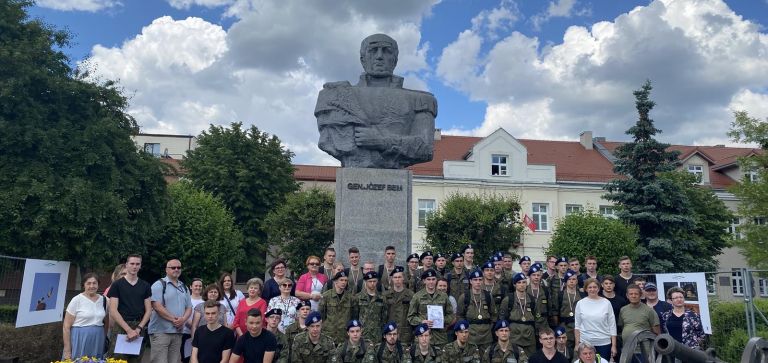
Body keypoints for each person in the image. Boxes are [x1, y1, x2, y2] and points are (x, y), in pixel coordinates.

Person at [315, 33, 436, 169]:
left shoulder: (421, 99)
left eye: (386, 51)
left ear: (395, 60)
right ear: (362, 59)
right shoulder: (335, 97)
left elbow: (425, 148)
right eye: (373, 50)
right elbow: (330, 141)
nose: (379, 56)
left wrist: (382, 141)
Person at [108, 254, 152, 363]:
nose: (134, 266)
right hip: (121, 327)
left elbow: (149, 310)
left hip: (139, 327)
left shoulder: (145, 286)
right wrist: (128, 330)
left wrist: (138, 329)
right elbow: (113, 310)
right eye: (132, 263)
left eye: (137, 264)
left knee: (135, 360)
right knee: (117, 360)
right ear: (126, 265)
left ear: (140, 266)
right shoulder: (117, 285)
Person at [149, 259, 193, 363]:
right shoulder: (158, 285)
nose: (176, 269)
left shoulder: (184, 287)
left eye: (179, 267)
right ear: (166, 270)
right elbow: (157, 306)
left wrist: (183, 320)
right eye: (173, 267)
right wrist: (175, 320)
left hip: (178, 332)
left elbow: (189, 307)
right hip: (161, 332)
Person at [63, 273, 109, 360]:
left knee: (95, 360)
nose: (92, 286)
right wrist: (67, 349)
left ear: (98, 284)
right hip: (79, 338)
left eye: (94, 283)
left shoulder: (104, 300)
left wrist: (103, 336)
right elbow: (66, 326)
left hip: (98, 339)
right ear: (83, 285)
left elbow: (107, 321)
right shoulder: (76, 300)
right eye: (88, 283)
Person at [408, 269, 455, 348]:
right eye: (428, 279)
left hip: (440, 337)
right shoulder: (417, 296)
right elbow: (410, 317)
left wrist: (441, 320)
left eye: (433, 279)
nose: (431, 282)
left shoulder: (444, 296)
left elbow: (451, 315)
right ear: (424, 281)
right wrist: (422, 321)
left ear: (436, 280)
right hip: (423, 337)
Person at [574, 278, 616, 361]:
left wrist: (614, 346)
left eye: (594, 287)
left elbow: (612, 325)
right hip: (585, 342)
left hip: (604, 343)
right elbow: (577, 325)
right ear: (586, 289)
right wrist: (577, 344)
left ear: (599, 288)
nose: (592, 289)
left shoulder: (606, 303)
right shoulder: (580, 303)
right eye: (590, 287)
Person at [499, 272, 537, 356]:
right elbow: (502, 319)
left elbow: (537, 318)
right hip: (514, 336)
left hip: (529, 337)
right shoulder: (508, 299)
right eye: (519, 282)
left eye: (524, 282)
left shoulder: (532, 299)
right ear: (514, 284)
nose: (522, 285)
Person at [619, 285, 659, 362]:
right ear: (627, 295)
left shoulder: (649, 311)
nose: (633, 296)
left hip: (643, 351)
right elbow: (623, 327)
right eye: (631, 294)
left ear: (640, 295)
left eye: (636, 294)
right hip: (627, 349)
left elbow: (656, 332)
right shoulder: (623, 310)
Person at [458, 269, 493, 351]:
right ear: (470, 281)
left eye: (480, 280)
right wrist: (465, 330)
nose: (478, 282)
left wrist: (489, 328)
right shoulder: (465, 297)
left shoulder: (488, 296)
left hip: (486, 336)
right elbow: (460, 315)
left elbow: (493, 315)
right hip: (470, 335)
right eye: (475, 280)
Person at [320, 270, 356, 344]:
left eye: (346, 280)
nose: (344, 282)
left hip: (344, 335)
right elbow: (321, 315)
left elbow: (354, 316)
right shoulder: (326, 296)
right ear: (335, 281)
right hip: (329, 334)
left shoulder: (351, 298)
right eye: (341, 280)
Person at [383, 266, 414, 347]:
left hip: (405, 333)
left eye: (399, 277)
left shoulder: (411, 295)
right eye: (395, 277)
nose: (397, 279)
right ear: (392, 279)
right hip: (390, 332)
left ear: (403, 278)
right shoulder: (386, 295)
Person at [356, 271, 387, 344]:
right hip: (362, 334)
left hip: (377, 335)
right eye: (370, 281)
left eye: (374, 281)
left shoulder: (382, 298)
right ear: (365, 282)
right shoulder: (358, 297)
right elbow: (355, 316)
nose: (372, 284)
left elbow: (384, 318)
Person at [555, 269, 581, 352]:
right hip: (564, 325)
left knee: (579, 349)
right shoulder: (561, 294)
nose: (572, 281)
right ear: (566, 281)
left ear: (577, 281)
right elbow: (556, 311)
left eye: (574, 279)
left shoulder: (582, 294)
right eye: (569, 279)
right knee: (566, 350)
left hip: (579, 326)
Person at [528, 263, 551, 333]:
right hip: (529, 323)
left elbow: (549, 307)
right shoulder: (525, 290)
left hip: (543, 323)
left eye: (538, 275)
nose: (536, 277)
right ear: (529, 276)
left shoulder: (545, 290)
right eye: (533, 275)